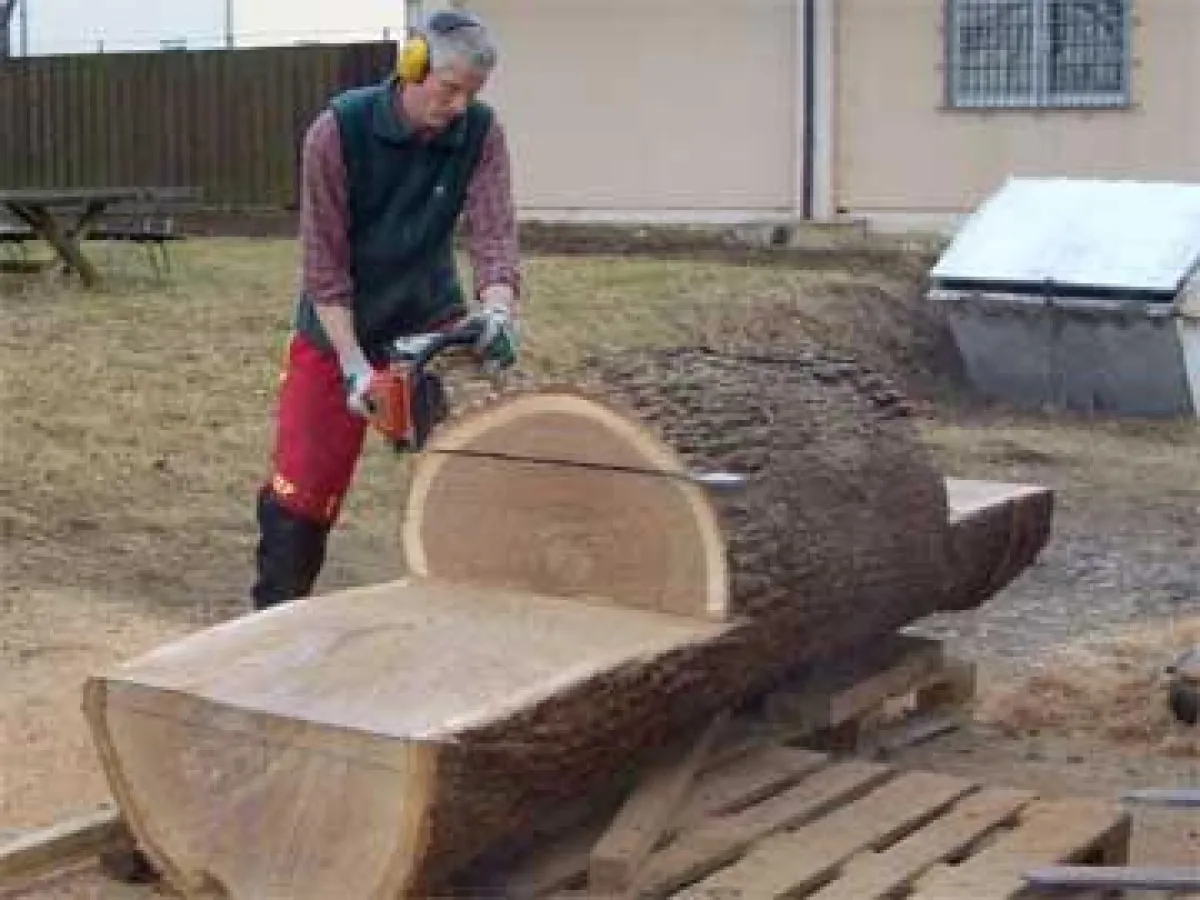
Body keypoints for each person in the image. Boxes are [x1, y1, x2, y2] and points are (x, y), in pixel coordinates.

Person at [251, 8, 521, 610]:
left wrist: (497, 309)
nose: (458, 107)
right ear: (412, 66)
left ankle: (470, 614)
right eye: (449, 89)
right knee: (301, 494)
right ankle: (273, 620)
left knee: (472, 470)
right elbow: (324, 266)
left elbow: (493, 233)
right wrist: (353, 366)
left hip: (430, 320)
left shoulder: (480, 133)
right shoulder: (338, 132)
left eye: (470, 94)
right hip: (337, 328)